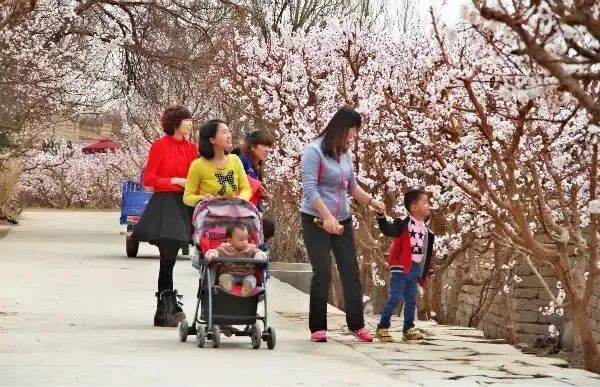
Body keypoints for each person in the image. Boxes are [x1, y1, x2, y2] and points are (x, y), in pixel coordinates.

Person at [300, 106, 385, 343]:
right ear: (343, 128)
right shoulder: (313, 151)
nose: (355, 135)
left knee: (350, 271)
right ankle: (318, 327)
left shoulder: (345, 154)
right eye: (354, 129)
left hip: (343, 219)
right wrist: (327, 217)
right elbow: (309, 189)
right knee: (323, 272)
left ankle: (356, 324)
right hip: (315, 217)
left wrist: (371, 201)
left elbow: (352, 187)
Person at [132, 106, 197, 327]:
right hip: (165, 205)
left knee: (170, 258)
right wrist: (176, 181)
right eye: (186, 120)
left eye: (190, 119)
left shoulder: (191, 148)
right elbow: (149, 179)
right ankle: (165, 304)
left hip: (184, 205)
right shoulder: (160, 146)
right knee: (167, 256)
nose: (190, 123)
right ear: (175, 123)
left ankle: (167, 304)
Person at [374, 189, 436, 343]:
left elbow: (426, 250)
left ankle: (408, 329)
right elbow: (388, 230)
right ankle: (382, 327)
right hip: (401, 267)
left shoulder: (425, 229)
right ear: (414, 207)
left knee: (411, 300)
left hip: (414, 268)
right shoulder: (403, 224)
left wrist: (429, 270)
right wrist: (381, 216)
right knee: (395, 297)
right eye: (425, 202)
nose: (429, 206)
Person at [183, 119, 252, 206]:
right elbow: (187, 197)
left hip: (234, 212)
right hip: (210, 215)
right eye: (224, 132)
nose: (229, 136)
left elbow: (246, 188)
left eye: (228, 132)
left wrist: (242, 198)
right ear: (212, 139)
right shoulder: (198, 165)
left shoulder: (235, 159)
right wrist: (203, 199)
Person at [233, 129, 275, 242]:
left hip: (251, 209)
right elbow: (235, 178)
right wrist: (256, 185)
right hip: (239, 211)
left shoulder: (256, 167)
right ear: (252, 147)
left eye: (269, 146)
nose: (268, 150)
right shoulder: (242, 161)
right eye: (264, 146)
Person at [205, 222, 267, 297]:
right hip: (230, 273)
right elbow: (216, 252)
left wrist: (259, 256)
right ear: (230, 241)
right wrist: (212, 254)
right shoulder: (225, 248)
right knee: (226, 277)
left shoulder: (250, 248)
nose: (245, 242)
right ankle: (226, 283)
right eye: (241, 240)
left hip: (247, 274)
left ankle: (247, 288)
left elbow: (258, 252)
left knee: (252, 279)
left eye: (246, 239)